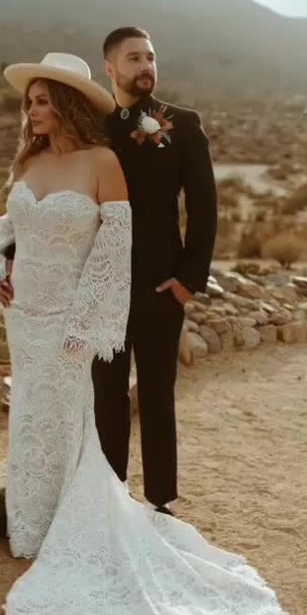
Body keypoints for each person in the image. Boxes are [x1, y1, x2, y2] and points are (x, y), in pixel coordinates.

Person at [0, 51, 289, 615]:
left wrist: (86, 325)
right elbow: (5, 227)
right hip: (24, 318)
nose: (33, 110)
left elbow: (111, 250)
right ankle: (33, 528)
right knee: (33, 420)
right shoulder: (30, 160)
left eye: (44, 100)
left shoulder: (102, 163)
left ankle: (83, 525)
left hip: (68, 321)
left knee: (74, 422)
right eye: (30, 101)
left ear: (67, 103)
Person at [93, 25, 217, 514]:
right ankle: (109, 498)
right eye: (133, 59)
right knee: (107, 397)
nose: (145, 66)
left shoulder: (182, 125)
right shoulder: (91, 128)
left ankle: (161, 501)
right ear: (110, 67)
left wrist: (189, 280)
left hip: (161, 286)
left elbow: (204, 208)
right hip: (103, 283)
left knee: (159, 396)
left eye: (150, 57)